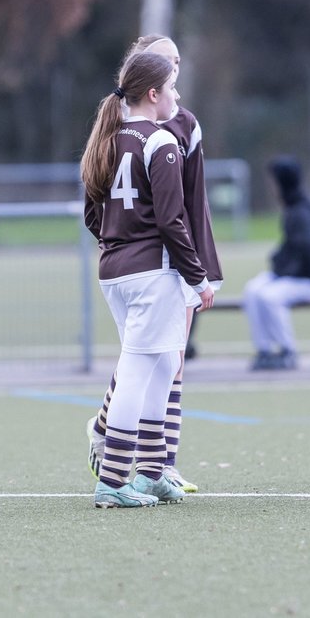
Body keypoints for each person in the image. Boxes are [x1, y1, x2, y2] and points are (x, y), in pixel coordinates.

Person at [86, 34, 223, 496]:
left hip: (115, 270)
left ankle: (151, 471)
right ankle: (112, 481)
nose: (177, 97)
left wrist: (118, 243)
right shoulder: (161, 141)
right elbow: (172, 218)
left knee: (164, 365)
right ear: (153, 94)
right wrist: (198, 276)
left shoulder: (107, 139)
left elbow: (93, 215)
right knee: (137, 371)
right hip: (150, 272)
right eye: (171, 88)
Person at [243, 156, 310, 370]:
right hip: (291, 276)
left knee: (270, 296)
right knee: (252, 290)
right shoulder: (293, 206)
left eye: (273, 180)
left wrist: (284, 265)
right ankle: (265, 351)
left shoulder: (302, 211)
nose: (271, 186)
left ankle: (288, 351)